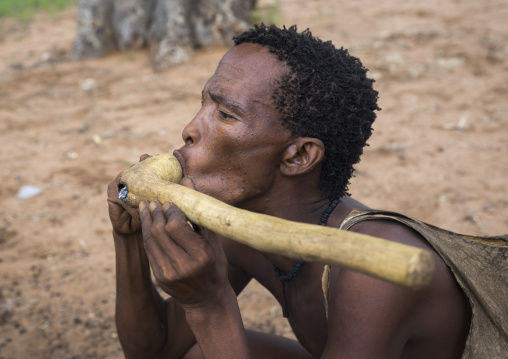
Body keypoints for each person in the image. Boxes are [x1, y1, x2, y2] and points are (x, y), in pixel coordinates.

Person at [106, 24, 476, 359]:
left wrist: (208, 304)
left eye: (225, 115)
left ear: (298, 156)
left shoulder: (371, 276)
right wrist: (128, 238)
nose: (189, 129)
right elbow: (157, 349)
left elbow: (200, 321)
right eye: (204, 102)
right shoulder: (242, 229)